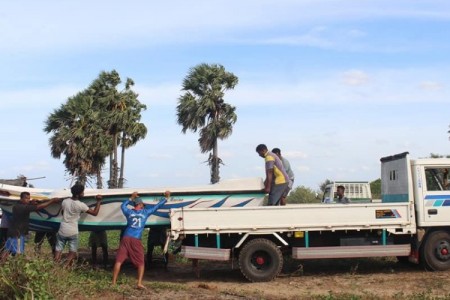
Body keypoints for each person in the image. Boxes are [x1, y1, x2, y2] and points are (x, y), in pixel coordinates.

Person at [112, 191, 168, 289]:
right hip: (135, 239)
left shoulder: (129, 212)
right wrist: (166, 198)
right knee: (141, 263)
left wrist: (131, 198)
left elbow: (122, 206)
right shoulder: (145, 212)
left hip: (126, 238)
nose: (144, 206)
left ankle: (113, 282)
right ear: (140, 204)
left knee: (119, 260)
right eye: (143, 205)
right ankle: (139, 283)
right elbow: (157, 207)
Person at [54, 183, 102, 266]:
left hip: (62, 229)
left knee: (58, 249)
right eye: (82, 192)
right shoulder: (81, 205)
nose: (83, 194)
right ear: (78, 194)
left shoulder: (65, 201)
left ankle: (55, 265)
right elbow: (95, 213)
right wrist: (98, 201)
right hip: (72, 231)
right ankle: (65, 266)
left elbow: (62, 212)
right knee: (72, 251)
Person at [4, 192, 60, 257]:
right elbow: (39, 207)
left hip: (12, 232)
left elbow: (27, 205)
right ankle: (16, 265)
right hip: (18, 234)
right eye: (26, 198)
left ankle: (2, 263)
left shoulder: (16, 206)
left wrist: (31, 203)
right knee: (18, 252)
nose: (28, 200)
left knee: (7, 250)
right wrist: (52, 201)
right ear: (21, 199)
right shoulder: (24, 208)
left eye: (29, 198)